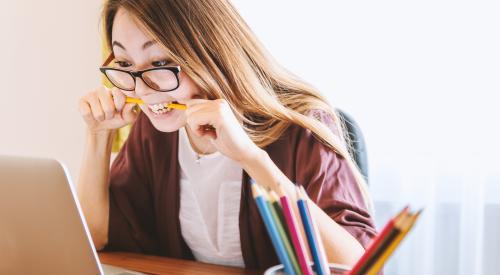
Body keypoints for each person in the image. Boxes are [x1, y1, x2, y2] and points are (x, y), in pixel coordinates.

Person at [77, 0, 377, 269]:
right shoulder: (155, 130)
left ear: (211, 53)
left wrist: (250, 158)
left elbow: (358, 266)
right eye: (125, 64)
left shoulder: (302, 126)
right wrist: (98, 136)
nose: (142, 90)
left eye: (160, 63)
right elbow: (95, 237)